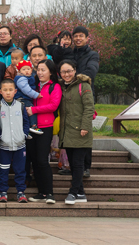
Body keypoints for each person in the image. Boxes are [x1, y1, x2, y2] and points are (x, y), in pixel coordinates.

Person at [57, 59, 94, 205]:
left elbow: (89, 107)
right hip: (67, 131)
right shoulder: (61, 86)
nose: (66, 74)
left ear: (75, 70)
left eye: (69, 71)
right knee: (72, 163)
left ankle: (73, 192)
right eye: (63, 72)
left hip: (80, 130)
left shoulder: (83, 85)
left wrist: (85, 126)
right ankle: (81, 193)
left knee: (78, 163)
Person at [26, 59, 61, 204]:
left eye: (43, 70)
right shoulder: (33, 85)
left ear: (51, 72)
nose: (39, 72)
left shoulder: (54, 86)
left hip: (45, 127)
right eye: (38, 69)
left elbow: (53, 106)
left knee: (42, 160)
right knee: (34, 161)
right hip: (31, 127)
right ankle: (41, 192)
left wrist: (34, 110)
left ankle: (49, 193)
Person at [0, 79, 30, 203]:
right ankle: (3, 192)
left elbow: (26, 122)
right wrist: (0, 137)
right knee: (3, 170)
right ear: (0, 91)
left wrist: (24, 135)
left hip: (20, 145)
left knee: (20, 170)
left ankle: (21, 193)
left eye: (10, 90)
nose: (8, 92)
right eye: (5, 90)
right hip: (4, 146)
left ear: (15, 91)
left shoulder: (20, 106)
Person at [13, 60, 41, 135]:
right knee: (31, 110)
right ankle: (34, 126)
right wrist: (36, 95)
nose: (26, 71)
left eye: (28, 69)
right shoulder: (21, 78)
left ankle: (26, 131)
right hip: (22, 99)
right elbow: (26, 89)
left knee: (25, 115)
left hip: (26, 98)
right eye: (24, 69)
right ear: (19, 71)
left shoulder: (29, 77)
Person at [72, 26, 100, 91]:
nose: (78, 38)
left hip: (85, 91)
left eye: (81, 36)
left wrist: (72, 79)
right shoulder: (69, 54)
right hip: (69, 92)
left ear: (87, 38)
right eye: (76, 36)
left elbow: (91, 71)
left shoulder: (93, 55)